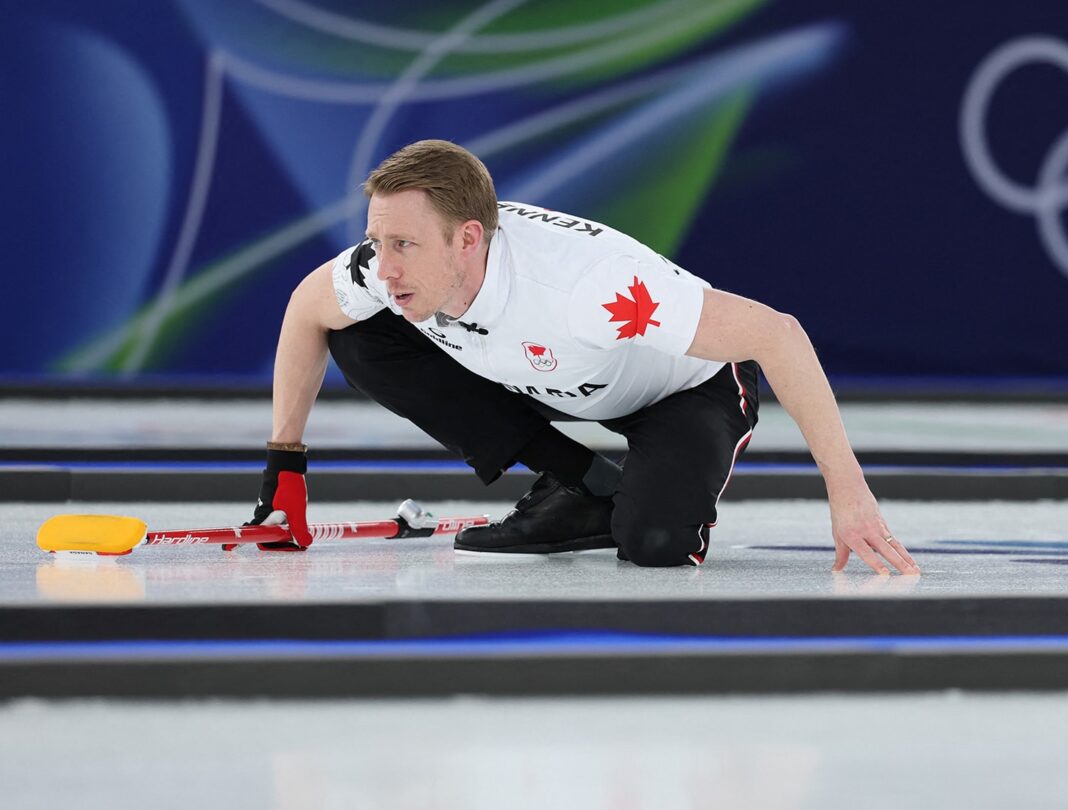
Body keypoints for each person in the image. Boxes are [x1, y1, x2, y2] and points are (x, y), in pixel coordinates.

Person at [246, 139, 919, 575]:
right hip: (550, 377)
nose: (383, 267)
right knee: (360, 333)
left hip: (678, 393)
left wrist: (849, 492)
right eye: (377, 241)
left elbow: (778, 334)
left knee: (654, 545)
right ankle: (580, 484)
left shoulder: (591, 290)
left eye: (404, 246)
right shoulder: (384, 267)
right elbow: (308, 310)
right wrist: (286, 463)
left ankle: (610, 504)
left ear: (468, 239)